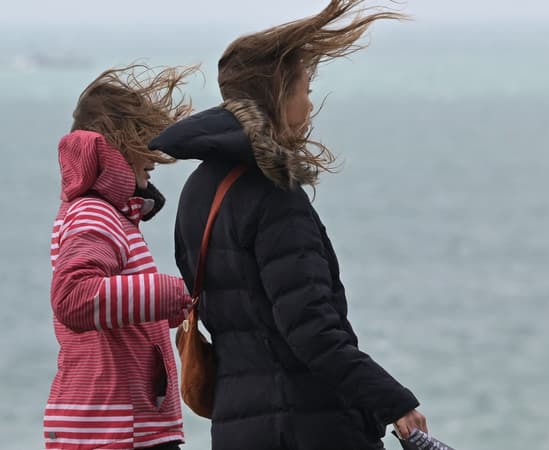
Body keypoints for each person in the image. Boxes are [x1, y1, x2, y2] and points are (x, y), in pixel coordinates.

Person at [149, 1, 427, 449]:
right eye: (303, 87)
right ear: (277, 94)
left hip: (236, 428)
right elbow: (311, 329)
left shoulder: (197, 191)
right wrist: (393, 402)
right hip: (306, 427)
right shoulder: (274, 198)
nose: (310, 101)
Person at [45, 64, 196, 450]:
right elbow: (73, 297)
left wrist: (166, 309)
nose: (154, 153)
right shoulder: (94, 213)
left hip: (117, 421)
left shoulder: (109, 215)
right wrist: (170, 294)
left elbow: (115, 307)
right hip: (113, 427)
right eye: (144, 141)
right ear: (118, 146)